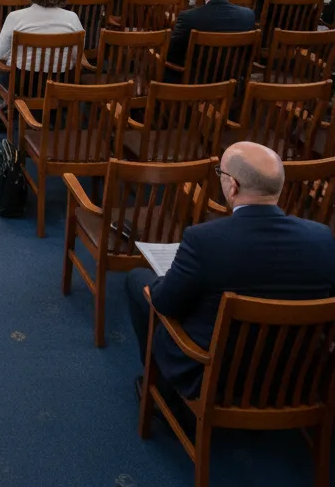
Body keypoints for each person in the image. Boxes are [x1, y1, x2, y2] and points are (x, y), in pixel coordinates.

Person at [126, 140, 335, 400]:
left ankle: (162, 390)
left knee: (138, 281)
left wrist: (165, 280)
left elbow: (164, 303)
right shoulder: (322, 237)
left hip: (216, 381)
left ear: (233, 185)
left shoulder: (204, 240)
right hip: (294, 379)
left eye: (220, 173)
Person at [166, 0, 256, 67]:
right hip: (234, 75)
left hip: (194, 75)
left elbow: (171, 54)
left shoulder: (189, 17)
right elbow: (247, 56)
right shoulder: (248, 15)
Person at [0, 0, 85, 70]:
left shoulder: (14, 17)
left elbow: (0, 54)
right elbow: (78, 52)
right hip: (62, 77)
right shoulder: (72, 18)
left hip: (23, 76)